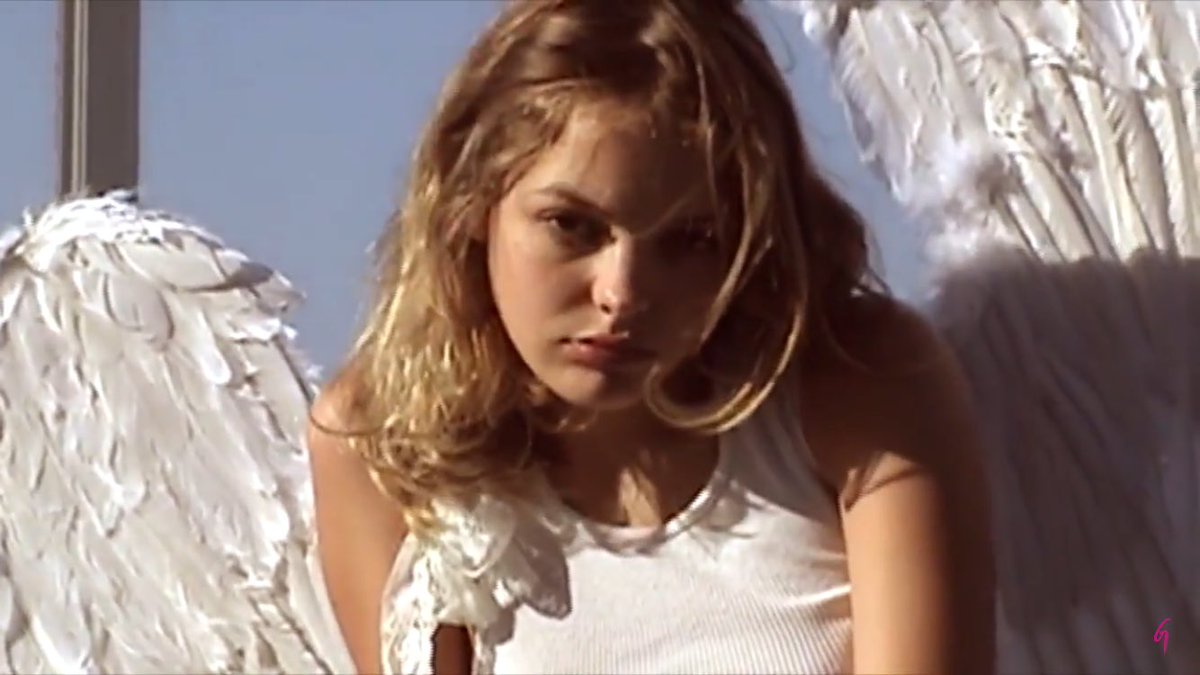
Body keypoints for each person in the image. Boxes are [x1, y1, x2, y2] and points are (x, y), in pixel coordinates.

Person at [307, 0, 995, 673]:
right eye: (572, 225)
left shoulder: (856, 386)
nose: (622, 294)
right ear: (471, 202)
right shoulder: (383, 443)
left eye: (691, 239)